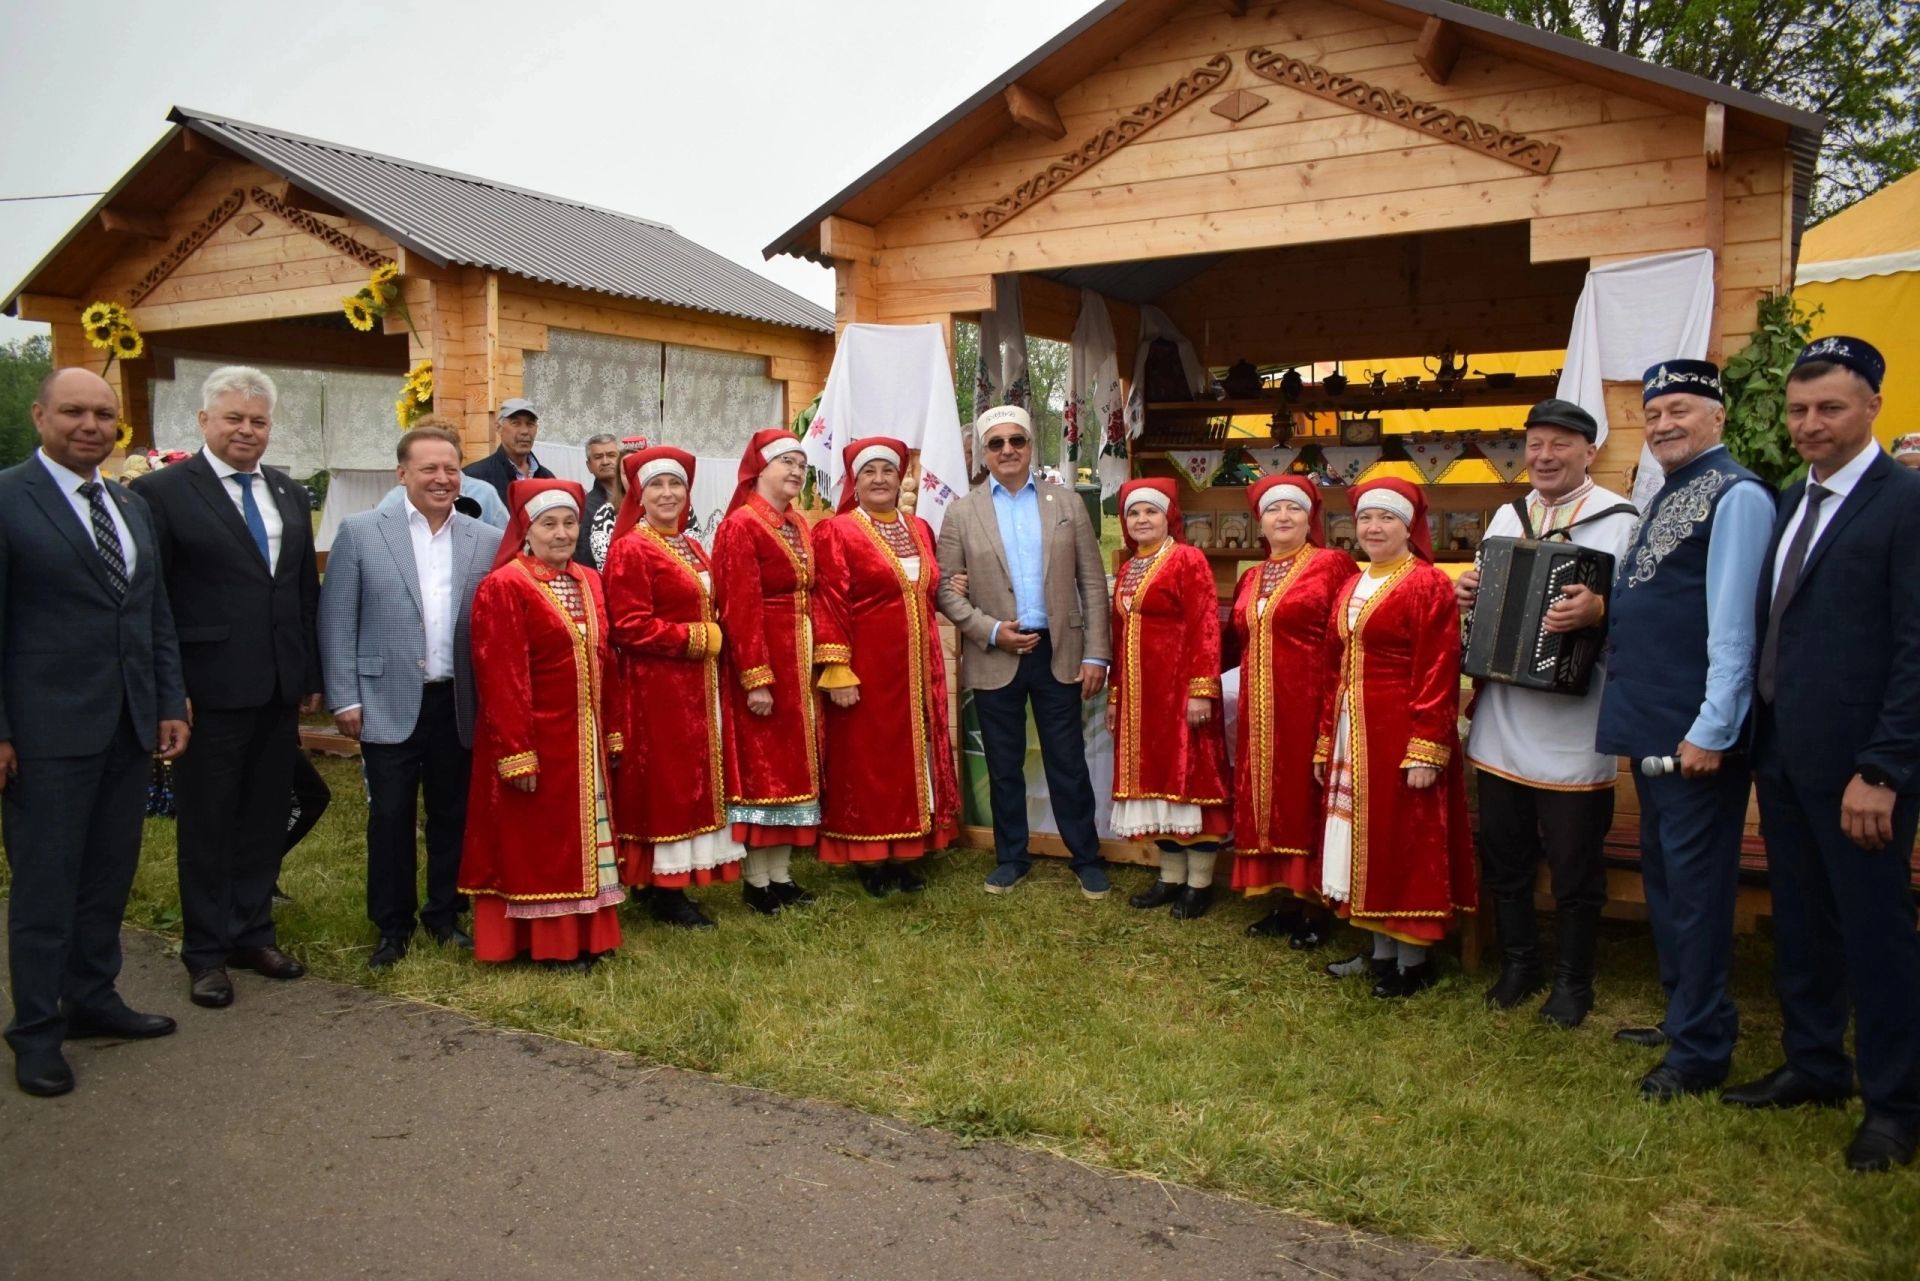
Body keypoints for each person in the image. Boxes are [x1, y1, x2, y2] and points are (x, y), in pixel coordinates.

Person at [1723, 337, 1920, 1172]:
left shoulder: (1905, 501)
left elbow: (1917, 647)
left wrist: (1884, 767)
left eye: (1829, 407)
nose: (1810, 424)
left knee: (1874, 933)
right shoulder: (1788, 499)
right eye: (1799, 410)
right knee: (1800, 921)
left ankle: (1897, 1102)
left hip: (1861, 769)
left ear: (1873, 403)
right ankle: (1813, 1063)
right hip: (1786, 754)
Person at [0, 368, 189, 1097]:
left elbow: (153, 613)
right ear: (39, 414)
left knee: (108, 875)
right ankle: (36, 1031)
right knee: (48, 885)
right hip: (44, 731)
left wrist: (169, 699)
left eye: (105, 414)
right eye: (74, 411)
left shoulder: (127, 504)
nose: (91, 424)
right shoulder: (10, 498)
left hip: (127, 725)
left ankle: (92, 999)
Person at [1595, 359, 1775, 1101]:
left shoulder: (1737, 496)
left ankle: (1703, 1048)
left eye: (1680, 410)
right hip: (1652, 727)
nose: (1665, 423)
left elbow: (1737, 627)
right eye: (1655, 412)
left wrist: (1714, 727)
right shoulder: (1670, 491)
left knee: (1698, 892)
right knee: (1669, 885)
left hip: (1695, 736)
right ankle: (1684, 1017)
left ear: (1719, 416)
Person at [131, 365, 320, 1010]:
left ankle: (251, 932)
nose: (246, 430)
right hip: (205, 691)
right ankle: (205, 952)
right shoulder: (162, 493)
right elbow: (151, 597)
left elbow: (299, 591)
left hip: (275, 688)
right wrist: (167, 687)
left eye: (258, 420)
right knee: (209, 824)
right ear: (204, 422)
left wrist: (308, 674)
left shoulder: (290, 493)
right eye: (234, 418)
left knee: (264, 817)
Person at [1457, 400, 1639, 1029]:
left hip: (1576, 722)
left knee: (1574, 863)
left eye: (1560, 444)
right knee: (1504, 852)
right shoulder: (1508, 516)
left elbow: (1651, 619)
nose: (1544, 455)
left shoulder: (1620, 521)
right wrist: (1468, 596)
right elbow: (1488, 599)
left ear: (1590, 451)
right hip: (1503, 719)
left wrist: (1602, 613)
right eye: (1535, 444)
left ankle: (1573, 982)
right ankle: (1520, 964)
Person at [320, 424, 495, 970]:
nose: (442, 479)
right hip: (385, 699)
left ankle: (444, 915)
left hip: (458, 703)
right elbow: (336, 619)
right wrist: (344, 697)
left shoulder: (483, 538)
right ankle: (391, 927)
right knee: (391, 817)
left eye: (450, 468)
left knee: (453, 817)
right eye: (429, 469)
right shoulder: (363, 531)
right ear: (402, 474)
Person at [934, 405, 1113, 900]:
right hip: (995, 653)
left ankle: (1086, 856)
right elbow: (946, 591)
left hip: (1059, 650)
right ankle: (1011, 857)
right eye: (997, 444)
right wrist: (990, 631)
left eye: (1017, 441)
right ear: (983, 454)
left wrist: (1097, 653)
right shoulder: (961, 511)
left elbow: (1092, 584)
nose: (1008, 450)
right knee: (1004, 763)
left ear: (1031, 447)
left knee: (1068, 760)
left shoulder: (1066, 503)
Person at [1313, 478, 1476, 998]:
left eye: (1386, 518)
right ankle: (1380, 950)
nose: (1374, 528)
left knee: (1404, 836)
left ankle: (1414, 959)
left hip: (1399, 728)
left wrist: (1428, 745)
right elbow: (1332, 668)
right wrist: (1325, 740)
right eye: (1365, 519)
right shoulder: (1351, 583)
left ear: (1409, 526)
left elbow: (1438, 668)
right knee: (1366, 835)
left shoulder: (1425, 583)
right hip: (1352, 729)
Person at [457, 479, 624, 969]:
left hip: (583, 738)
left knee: (583, 836)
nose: (561, 533)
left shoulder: (589, 581)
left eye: (569, 522)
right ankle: (547, 945)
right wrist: (516, 751)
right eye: (548, 523)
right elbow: (501, 675)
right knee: (540, 843)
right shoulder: (505, 585)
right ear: (526, 530)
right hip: (536, 738)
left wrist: (611, 727)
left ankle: (587, 934)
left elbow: (605, 660)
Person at [812, 437, 960, 897]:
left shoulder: (919, 529)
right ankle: (870, 856)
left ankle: (905, 851)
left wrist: (950, 583)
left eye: (888, 471)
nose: (880, 479)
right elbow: (828, 602)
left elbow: (923, 587)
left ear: (901, 479)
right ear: (855, 482)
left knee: (911, 754)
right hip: (867, 667)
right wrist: (836, 667)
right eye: (869, 472)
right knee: (870, 757)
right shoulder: (838, 531)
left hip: (918, 667)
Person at [603, 446, 746, 927]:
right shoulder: (632, 548)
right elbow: (627, 625)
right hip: (656, 688)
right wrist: (699, 637)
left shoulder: (689, 544)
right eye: (656, 486)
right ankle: (665, 886)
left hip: (698, 686)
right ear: (638, 496)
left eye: (676, 485)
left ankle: (674, 878)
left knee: (691, 780)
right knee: (666, 783)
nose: (667, 494)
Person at [1229, 475, 1356, 946]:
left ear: (1310, 518)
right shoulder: (1251, 575)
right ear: (1260, 521)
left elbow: (1347, 636)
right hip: (1259, 709)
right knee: (1266, 797)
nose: (1283, 518)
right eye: (1273, 510)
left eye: (1294, 510)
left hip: (1310, 704)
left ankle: (1316, 906)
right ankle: (1282, 900)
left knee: (1307, 796)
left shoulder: (1333, 565)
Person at [1105, 478, 1229, 918]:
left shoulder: (1187, 559)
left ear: (1168, 517)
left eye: (1150, 512)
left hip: (1179, 694)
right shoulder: (1126, 567)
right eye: (1133, 513)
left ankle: (1199, 884)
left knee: (1190, 780)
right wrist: (1116, 696)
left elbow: (1205, 627)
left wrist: (1201, 690)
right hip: (1141, 699)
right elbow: (1120, 637)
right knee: (1154, 784)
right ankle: (1170, 877)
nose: (1141, 520)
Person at [711, 428, 823, 908]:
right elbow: (739, 606)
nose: (796, 472)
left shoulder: (796, 523)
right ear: (760, 469)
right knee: (764, 769)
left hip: (799, 655)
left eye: (801, 464)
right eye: (787, 463)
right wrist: (756, 677)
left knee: (792, 768)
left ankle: (781, 874)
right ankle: (757, 882)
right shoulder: (741, 525)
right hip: (764, 657)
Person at [462, 398, 553, 506]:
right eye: (516, 423)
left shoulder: (547, 478)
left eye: (530, 424)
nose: (524, 431)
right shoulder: (474, 477)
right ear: (498, 427)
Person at [575, 432, 627, 570]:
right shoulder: (585, 506)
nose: (605, 461)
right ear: (589, 466)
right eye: (598, 457)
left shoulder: (642, 498)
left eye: (611, 455)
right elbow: (584, 557)